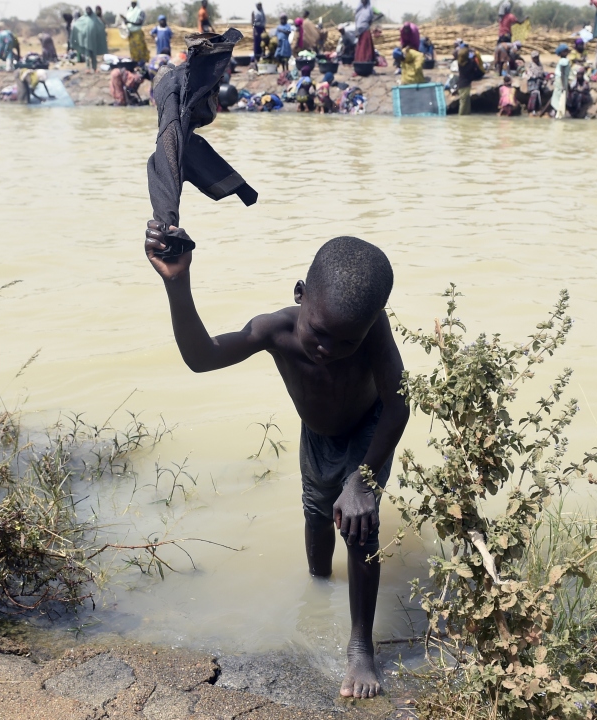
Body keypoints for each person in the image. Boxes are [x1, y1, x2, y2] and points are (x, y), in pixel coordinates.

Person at [143, 228, 407, 702]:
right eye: (320, 333)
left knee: (359, 526)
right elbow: (202, 358)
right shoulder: (274, 330)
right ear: (300, 294)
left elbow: (398, 405)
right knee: (317, 513)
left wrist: (363, 480)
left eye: (346, 342)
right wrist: (176, 284)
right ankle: (318, 588)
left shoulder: (371, 332)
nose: (328, 349)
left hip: (369, 433)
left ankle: (360, 647)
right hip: (318, 433)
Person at [454, 43, 478, 114]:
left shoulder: (459, 63)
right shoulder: (470, 63)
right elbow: (475, 68)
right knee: (464, 103)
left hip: (461, 84)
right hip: (466, 85)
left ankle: (466, 116)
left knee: (465, 102)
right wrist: (474, 56)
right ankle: (461, 117)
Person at [551, 42, 570, 118]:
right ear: (561, 53)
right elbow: (562, 73)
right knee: (561, 96)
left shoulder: (562, 60)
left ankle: (556, 112)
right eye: (565, 51)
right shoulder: (564, 61)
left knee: (558, 96)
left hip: (560, 79)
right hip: (561, 80)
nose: (567, 52)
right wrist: (563, 85)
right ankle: (558, 112)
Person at [126, 1, 149, 66]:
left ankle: (142, 63)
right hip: (131, 33)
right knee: (132, 48)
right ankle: (134, 62)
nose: (133, 5)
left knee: (140, 48)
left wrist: (129, 22)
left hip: (137, 33)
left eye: (134, 4)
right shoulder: (129, 12)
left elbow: (140, 22)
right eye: (132, 4)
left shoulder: (140, 12)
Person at [354, 0, 375, 65]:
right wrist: (357, 31)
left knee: (365, 47)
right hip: (359, 31)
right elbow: (356, 21)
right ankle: (359, 61)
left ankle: (366, 61)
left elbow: (371, 20)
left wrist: (367, 25)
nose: (363, 1)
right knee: (360, 48)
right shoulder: (358, 9)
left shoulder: (369, 9)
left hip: (365, 30)